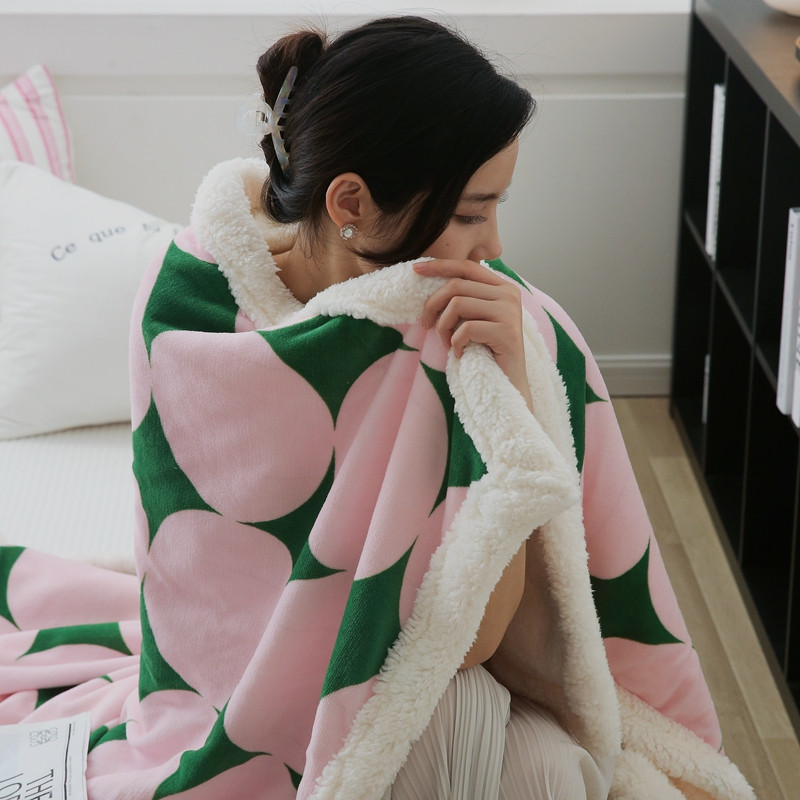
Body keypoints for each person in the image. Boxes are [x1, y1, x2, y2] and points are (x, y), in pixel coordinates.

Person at [0, 15, 755, 800]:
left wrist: (511, 394)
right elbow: (203, 580)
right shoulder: (185, 312)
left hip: (422, 682)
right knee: (544, 776)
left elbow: (472, 640)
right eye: (471, 213)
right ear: (351, 201)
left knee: (547, 772)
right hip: (239, 695)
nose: (494, 246)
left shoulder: (473, 331)